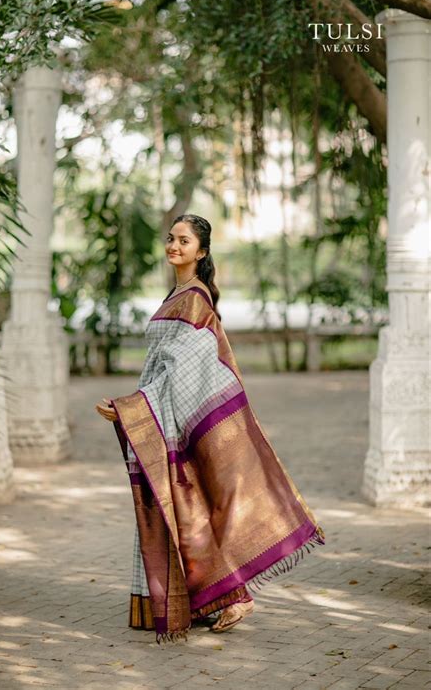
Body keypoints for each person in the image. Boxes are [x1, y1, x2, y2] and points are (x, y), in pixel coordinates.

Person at [96, 214, 325, 643]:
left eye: (184, 241)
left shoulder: (195, 299)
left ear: (201, 252)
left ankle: (233, 596)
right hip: (163, 414)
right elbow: (166, 365)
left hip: (182, 417)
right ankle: (212, 597)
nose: (174, 245)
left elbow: (190, 366)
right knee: (188, 509)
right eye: (171, 238)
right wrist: (139, 406)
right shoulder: (177, 294)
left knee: (195, 507)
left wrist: (134, 407)